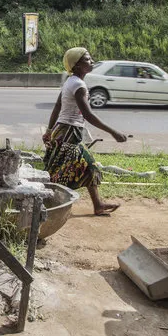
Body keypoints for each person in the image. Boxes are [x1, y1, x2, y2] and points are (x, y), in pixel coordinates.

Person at [43, 47, 127, 216]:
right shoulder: (78, 85)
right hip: (68, 134)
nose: (92, 61)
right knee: (63, 173)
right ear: (77, 65)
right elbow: (88, 114)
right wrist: (113, 132)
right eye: (88, 59)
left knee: (86, 168)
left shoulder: (70, 81)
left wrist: (49, 130)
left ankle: (98, 205)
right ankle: (45, 206)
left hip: (62, 131)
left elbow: (58, 106)